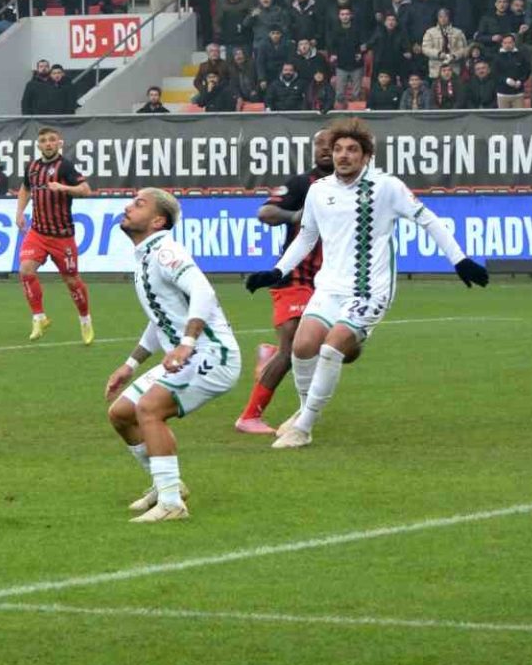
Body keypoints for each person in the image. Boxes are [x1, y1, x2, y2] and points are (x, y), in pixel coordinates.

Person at [245, 118, 489, 448]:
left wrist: (459, 260)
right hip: (328, 288)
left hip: (369, 290)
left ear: (366, 156)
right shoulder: (319, 190)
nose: (343, 155)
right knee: (302, 348)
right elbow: (306, 236)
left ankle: (304, 427)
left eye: (352, 150)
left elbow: (428, 220)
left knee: (331, 348)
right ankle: (304, 410)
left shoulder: (387, 187)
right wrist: (277, 271)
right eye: (338, 149)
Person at [104, 188, 241, 523]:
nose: (128, 207)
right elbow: (161, 319)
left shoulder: (166, 252)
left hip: (214, 354)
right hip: (191, 354)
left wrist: (187, 343)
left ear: (157, 221)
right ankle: (166, 484)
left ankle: (171, 503)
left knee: (149, 409)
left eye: (139, 204)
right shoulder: (146, 256)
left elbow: (203, 291)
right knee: (122, 413)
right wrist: (130, 364)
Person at [235, 128, 339, 435]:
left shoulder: (351, 188)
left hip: (330, 282)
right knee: (294, 346)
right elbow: (265, 212)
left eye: (331, 144)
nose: (324, 149)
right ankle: (249, 417)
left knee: (340, 347)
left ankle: (270, 358)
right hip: (295, 276)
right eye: (319, 144)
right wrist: (296, 216)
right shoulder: (301, 184)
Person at [15, 127, 94, 344]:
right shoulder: (32, 167)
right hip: (38, 232)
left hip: (62, 236)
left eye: (52, 140)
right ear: (38, 145)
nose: (48, 143)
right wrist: (20, 212)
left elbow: (86, 190)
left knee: (72, 280)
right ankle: (39, 317)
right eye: (43, 140)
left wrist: (63, 188)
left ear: (59, 143)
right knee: (25, 269)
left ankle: (85, 320)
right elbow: (25, 189)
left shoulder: (65, 166)